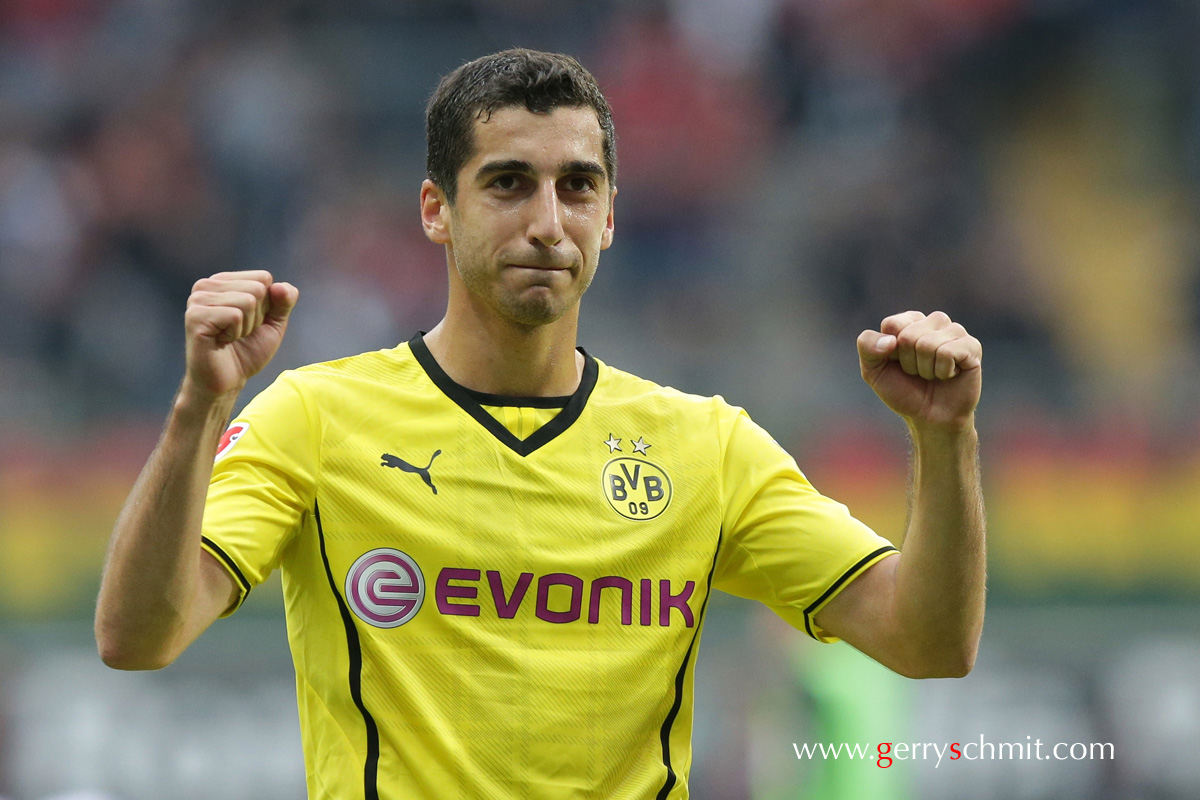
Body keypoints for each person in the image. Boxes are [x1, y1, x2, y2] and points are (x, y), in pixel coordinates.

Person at [94, 49, 985, 799]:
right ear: (436, 210)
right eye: (510, 184)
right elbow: (139, 637)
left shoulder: (705, 446)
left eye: (578, 186)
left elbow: (929, 642)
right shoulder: (317, 418)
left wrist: (944, 441)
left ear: (609, 214)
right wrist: (197, 409)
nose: (548, 223)